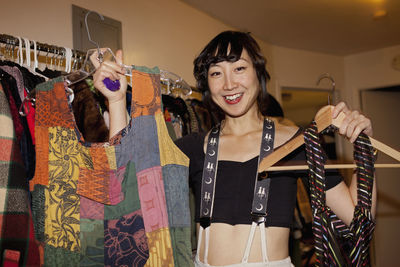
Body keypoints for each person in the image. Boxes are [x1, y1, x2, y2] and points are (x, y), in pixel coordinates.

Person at [93, 31, 376, 267]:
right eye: (217, 73)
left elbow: (357, 221)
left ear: (258, 74)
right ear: (207, 85)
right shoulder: (194, 146)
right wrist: (116, 101)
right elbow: (125, 183)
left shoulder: (297, 143)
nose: (229, 84)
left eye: (239, 68)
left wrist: (364, 149)